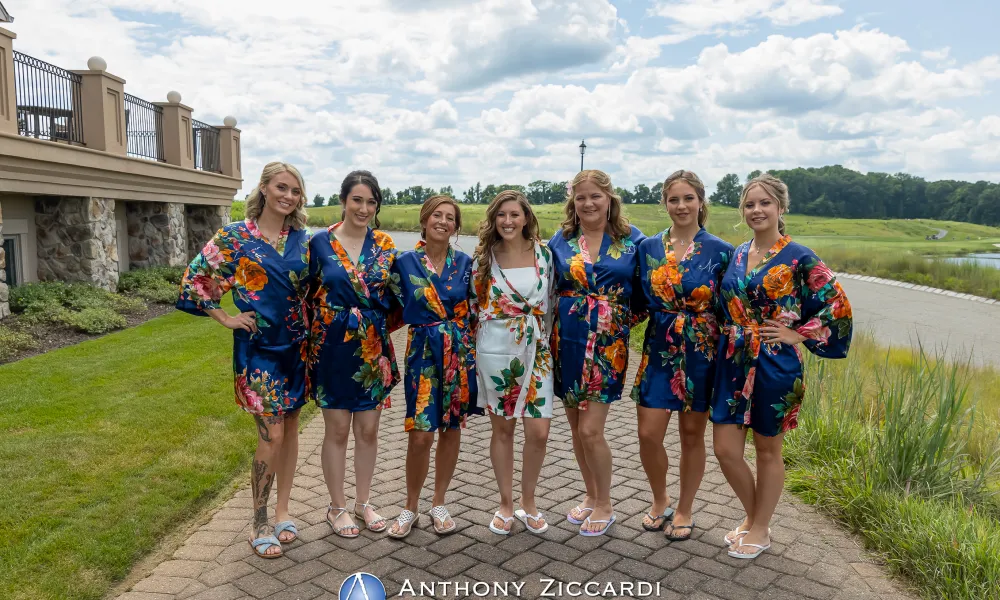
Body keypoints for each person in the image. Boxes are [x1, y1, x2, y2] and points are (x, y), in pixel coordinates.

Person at [711, 173, 853, 559]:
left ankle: (759, 528)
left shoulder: (800, 256)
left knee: (767, 450)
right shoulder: (737, 254)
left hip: (775, 361)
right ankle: (755, 516)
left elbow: (836, 305)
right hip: (733, 358)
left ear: (780, 207)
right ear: (742, 210)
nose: (757, 210)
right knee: (724, 448)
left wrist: (799, 334)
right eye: (750, 204)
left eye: (765, 203)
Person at [177, 161, 311, 558]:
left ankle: (284, 511)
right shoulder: (234, 237)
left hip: (297, 349)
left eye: (296, 191)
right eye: (282, 187)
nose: (288, 196)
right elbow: (195, 279)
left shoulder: (302, 241)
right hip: (258, 351)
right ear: (265, 189)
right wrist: (224, 317)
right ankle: (259, 521)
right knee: (271, 435)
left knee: (291, 430)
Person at [632, 170, 734, 541]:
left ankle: (686, 508)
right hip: (658, 348)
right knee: (647, 433)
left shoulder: (722, 251)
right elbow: (636, 302)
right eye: (673, 199)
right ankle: (660, 500)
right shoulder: (648, 249)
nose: (681, 206)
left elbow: (732, 308)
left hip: (702, 352)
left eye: (688, 198)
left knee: (692, 436)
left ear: (700, 202)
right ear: (665, 204)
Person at [548, 169, 646, 536]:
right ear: (573, 202)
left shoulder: (634, 240)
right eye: (581, 197)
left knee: (591, 430)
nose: (588, 203)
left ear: (610, 199)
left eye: (596, 196)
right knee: (576, 428)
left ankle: (605, 503)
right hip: (567, 344)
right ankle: (590, 496)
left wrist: (616, 320)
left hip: (607, 347)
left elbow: (648, 293)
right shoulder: (562, 239)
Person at [306, 170, 399, 538]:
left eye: (371, 201)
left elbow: (396, 296)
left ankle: (363, 502)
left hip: (372, 347)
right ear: (344, 200)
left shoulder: (386, 245)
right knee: (338, 429)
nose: (364, 208)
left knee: (369, 429)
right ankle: (336, 507)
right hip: (331, 345)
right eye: (357, 200)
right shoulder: (319, 243)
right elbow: (302, 293)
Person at [386, 195, 479, 538]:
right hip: (422, 354)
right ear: (424, 221)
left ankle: (439, 502)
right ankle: (410, 506)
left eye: (450, 217)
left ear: (456, 227)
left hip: (458, 353)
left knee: (451, 428)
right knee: (421, 433)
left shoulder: (466, 264)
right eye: (436, 215)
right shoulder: (404, 262)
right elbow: (385, 306)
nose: (443, 221)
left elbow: (476, 309)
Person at [472, 190, 555, 536]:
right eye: (501, 215)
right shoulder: (483, 259)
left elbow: (550, 302)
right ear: (494, 219)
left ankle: (529, 501)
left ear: (526, 218)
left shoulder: (545, 255)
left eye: (514, 215)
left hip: (537, 349)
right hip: (496, 351)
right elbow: (474, 305)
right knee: (503, 428)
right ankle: (506, 503)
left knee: (539, 430)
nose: (508, 221)